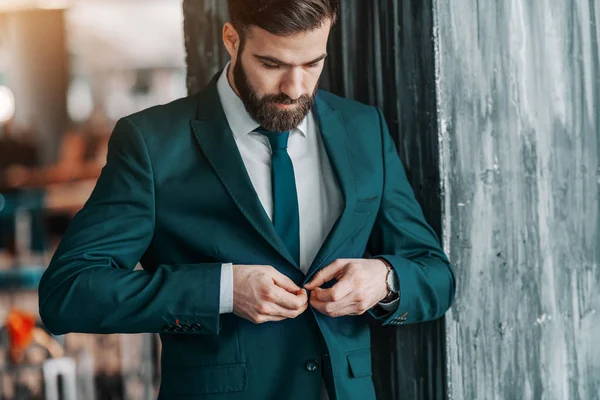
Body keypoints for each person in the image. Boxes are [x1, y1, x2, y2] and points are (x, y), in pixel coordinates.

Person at [38, 1, 456, 399]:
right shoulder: (152, 143)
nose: (295, 88)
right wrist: (221, 291)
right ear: (232, 40)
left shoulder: (364, 129)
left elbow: (435, 275)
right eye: (272, 64)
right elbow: (69, 292)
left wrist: (383, 280)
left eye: (313, 64)